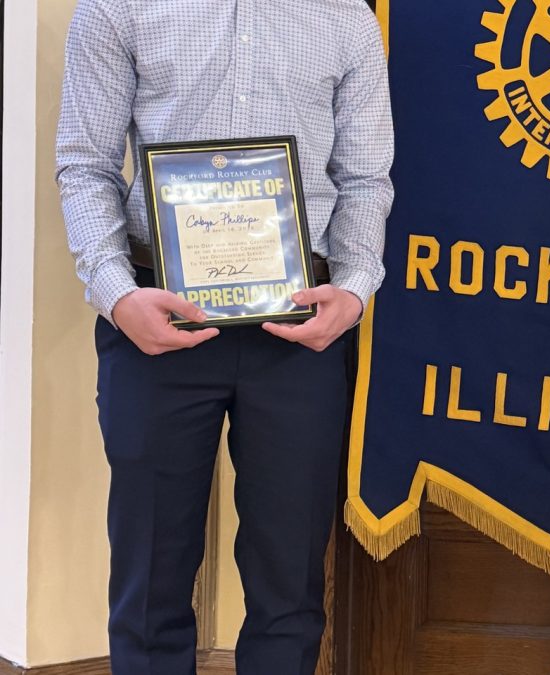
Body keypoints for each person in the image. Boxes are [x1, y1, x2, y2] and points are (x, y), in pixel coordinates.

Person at [55, 0, 393, 672]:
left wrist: (355, 289)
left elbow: (363, 180)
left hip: (300, 331)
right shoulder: (116, 7)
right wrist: (118, 295)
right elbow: (85, 165)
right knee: (149, 581)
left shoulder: (346, 19)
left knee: (290, 587)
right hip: (155, 324)